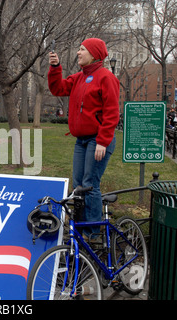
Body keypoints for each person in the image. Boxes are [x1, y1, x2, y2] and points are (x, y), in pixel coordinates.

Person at [48, 38, 120, 239]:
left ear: (94, 54)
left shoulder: (106, 77)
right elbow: (58, 89)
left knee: (90, 184)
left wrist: (103, 141)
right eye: (79, 49)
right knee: (78, 184)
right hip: (81, 141)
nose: (78, 52)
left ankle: (93, 233)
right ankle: (79, 229)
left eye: (82, 49)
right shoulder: (78, 77)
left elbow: (112, 113)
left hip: (98, 140)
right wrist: (55, 67)